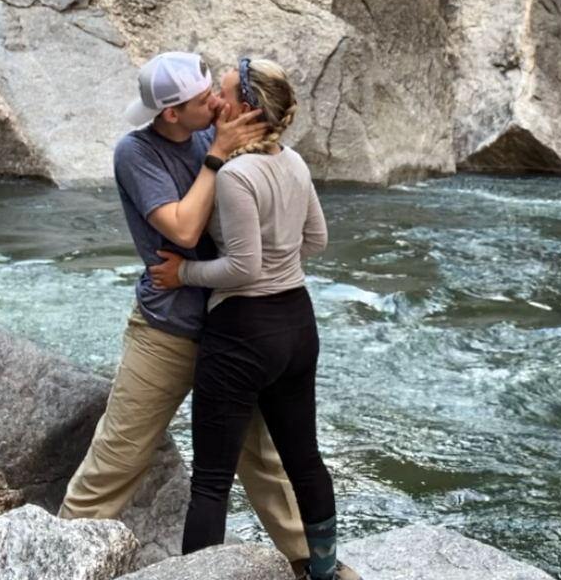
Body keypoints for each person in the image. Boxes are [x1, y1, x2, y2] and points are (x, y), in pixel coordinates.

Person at [59, 50, 310, 569]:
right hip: (167, 329)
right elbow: (183, 229)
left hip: (236, 326)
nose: (217, 102)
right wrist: (217, 155)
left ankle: (312, 562)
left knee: (261, 459)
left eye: (215, 92)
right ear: (171, 113)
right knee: (119, 456)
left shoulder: (211, 129)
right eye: (204, 99)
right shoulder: (137, 153)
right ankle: (54, 557)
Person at [150, 57, 349, 580]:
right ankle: (324, 571)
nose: (218, 97)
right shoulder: (295, 162)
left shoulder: (236, 175)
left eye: (227, 91)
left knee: (211, 481)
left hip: (243, 332)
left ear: (247, 109)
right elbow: (318, 241)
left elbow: (242, 267)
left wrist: (182, 275)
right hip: (298, 325)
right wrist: (283, 258)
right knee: (304, 458)